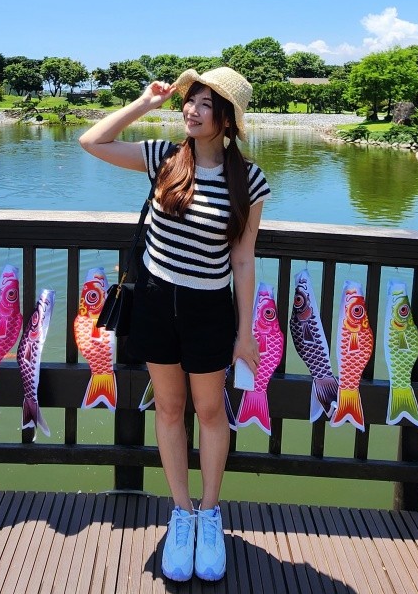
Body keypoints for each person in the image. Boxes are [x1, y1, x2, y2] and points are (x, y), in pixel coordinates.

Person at [79, 66, 268, 583]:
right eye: (192, 100)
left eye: (206, 103)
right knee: (168, 407)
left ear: (227, 118)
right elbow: (91, 140)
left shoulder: (248, 179)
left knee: (210, 412)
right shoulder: (163, 156)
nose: (192, 109)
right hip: (157, 302)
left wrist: (245, 331)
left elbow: (244, 260)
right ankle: (180, 512)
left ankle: (210, 513)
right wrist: (145, 102)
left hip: (210, 309)